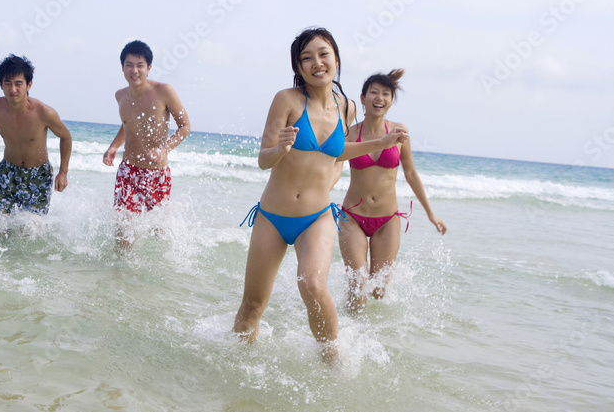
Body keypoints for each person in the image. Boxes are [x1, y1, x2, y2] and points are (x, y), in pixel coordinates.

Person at [231, 27, 407, 360]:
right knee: (253, 305)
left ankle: (332, 365)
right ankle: (235, 365)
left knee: (312, 284)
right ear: (298, 68)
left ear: (336, 59)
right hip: (273, 216)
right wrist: (281, 147)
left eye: (323, 54)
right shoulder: (287, 100)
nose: (316, 63)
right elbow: (263, 160)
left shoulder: (347, 107)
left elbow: (335, 152)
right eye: (306, 58)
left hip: (317, 217)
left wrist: (380, 143)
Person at [338, 69, 446, 311]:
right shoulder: (350, 133)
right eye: (374, 92)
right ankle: (348, 335)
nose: (380, 97)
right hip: (352, 217)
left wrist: (431, 213)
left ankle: (374, 340)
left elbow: (410, 172)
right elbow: (332, 166)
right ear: (363, 97)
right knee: (357, 283)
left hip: (387, 220)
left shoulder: (399, 131)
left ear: (391, 101)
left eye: (386, 93)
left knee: (378, 290)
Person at [0, 54, 72, 214]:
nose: (13, 89)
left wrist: (63, 172)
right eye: (7, 83)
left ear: (29, 85)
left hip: (39, 175)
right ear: (1, 85)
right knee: (2, 227)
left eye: (18, 84)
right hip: (7, 172)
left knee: (30, 230)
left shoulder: (43, 112)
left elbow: (65, 137)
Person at [102, 40, 191, 221]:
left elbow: (185, 126)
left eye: (140, 65)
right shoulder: (120, 95)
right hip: (127, 172)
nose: (134, 70)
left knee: (158, 232)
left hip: (156, 174)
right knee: (123, 233)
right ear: (122, 68)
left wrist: (163, 150)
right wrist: (114, 146)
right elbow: (128, 123)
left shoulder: (164, 91)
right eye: (129, 65)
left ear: (149, 67)